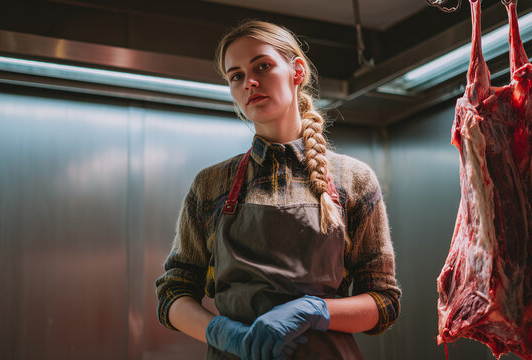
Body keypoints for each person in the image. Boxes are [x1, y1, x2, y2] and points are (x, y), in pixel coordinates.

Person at [155, 20, 401, 360]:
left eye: (262, 66)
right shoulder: (210, 185)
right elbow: (174, 293)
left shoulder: (353, 180)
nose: (249, 82)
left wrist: (315, 311)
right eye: (236, 75)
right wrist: (222, 332)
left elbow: (383, 301)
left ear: (296, 71)